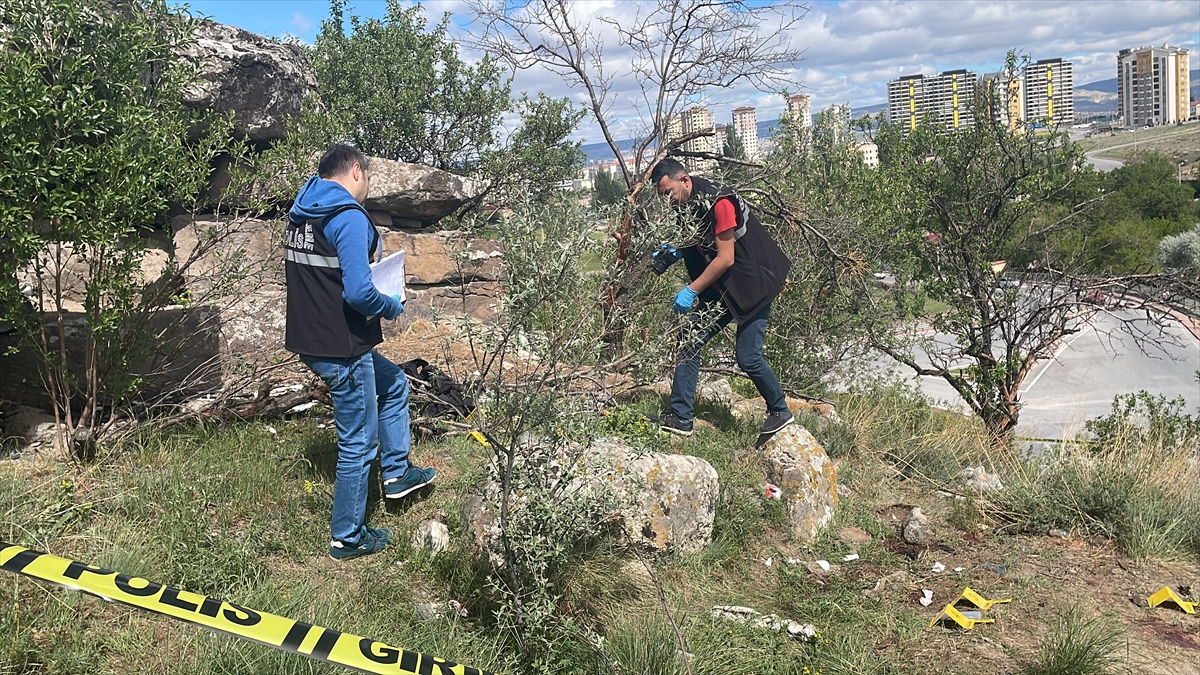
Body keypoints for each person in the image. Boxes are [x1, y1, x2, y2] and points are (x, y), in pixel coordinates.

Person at [285, 144, 436, 560]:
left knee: (394, 385)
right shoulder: (348, 217)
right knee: (357, 443)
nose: (367, 188)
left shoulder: (302, 212)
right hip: (342, 346)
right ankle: (347, 537)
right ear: (355, 171)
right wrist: (390, 305)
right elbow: (358, 291)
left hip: (310, 338)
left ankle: (398, 474)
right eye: (368, 179)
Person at [648, 158, 793, 439]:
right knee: (689, 340)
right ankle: (680, 416)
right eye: (662, 196)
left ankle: (780, 410)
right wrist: (675, 252)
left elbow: (726, 258)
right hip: (724, 289)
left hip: (754, 285)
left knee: (748, 357)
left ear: (685, 180)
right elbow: (698, 240)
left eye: (668, 193)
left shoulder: (720, 202)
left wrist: (692, 290)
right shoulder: (685, 204)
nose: (666, 201)